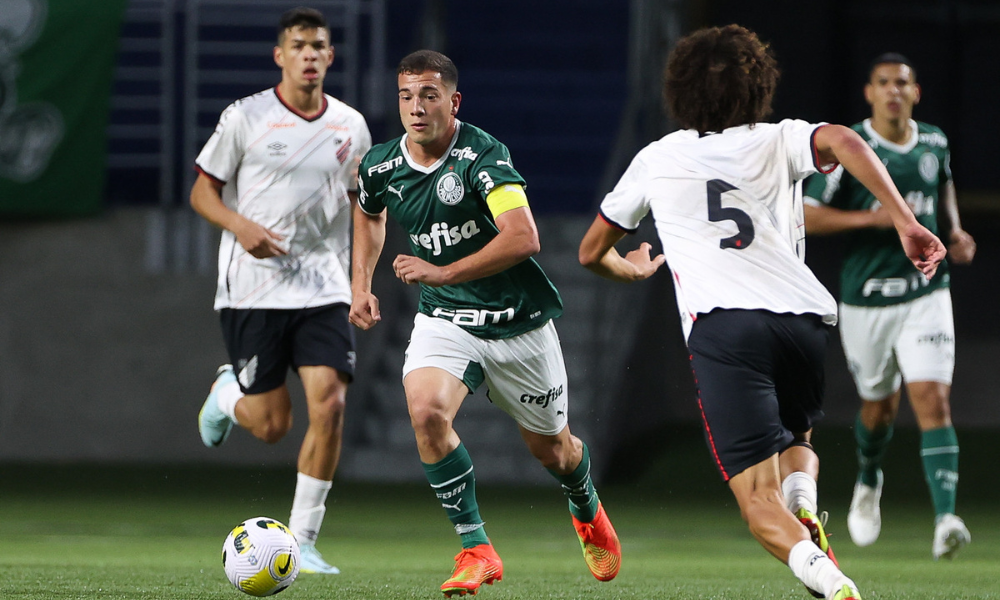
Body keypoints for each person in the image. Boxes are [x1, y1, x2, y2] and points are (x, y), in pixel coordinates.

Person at [578, 25, 946, 600]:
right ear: (759, 85)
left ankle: (831, 581)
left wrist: (632, 268)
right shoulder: (781, 138)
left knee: (756, 505)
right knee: (797, 436)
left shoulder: (658, 157)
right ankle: (806, 508)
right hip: (801, 324)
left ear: (680, 89)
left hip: (726, 327)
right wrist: (906, 221)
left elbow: (589, 251)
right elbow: (847, 141)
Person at [350, 49, 621, 597]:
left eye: (429, 95)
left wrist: (441, 270)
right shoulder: (380, 163)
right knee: (425, 411)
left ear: (453, 101)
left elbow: (524, 237)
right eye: (406, 96)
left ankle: (584, 502)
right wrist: (361, 282)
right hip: (446, 320)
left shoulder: (481, 155)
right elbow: (368, 208)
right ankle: (477, 549)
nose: (416, 108)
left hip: (516, 323)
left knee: (555, 452)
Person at [190, 6, 371, 575]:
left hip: (322, 285)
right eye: (299, 46)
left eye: (319, 45)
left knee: (332, 403)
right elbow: (202, 193)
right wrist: (241, 226)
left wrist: (361, 281)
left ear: (330, 56)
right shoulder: (246, 117)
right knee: (272, 427)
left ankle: (304, 539)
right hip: (252, 290)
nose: (310, 55)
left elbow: (365, 209)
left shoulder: (352, 127)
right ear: (280, 55)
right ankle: (226, 395)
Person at [803, 53, 975, 559]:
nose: (894, 91)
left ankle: (946, 517)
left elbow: (943, 188)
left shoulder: (934, 142)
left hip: (926, 292)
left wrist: (955, 230)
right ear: (870, 92)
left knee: (932, 399)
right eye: (884, 83)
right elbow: (808, 216)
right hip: (866, 297)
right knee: (879, 406)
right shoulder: (852, 145)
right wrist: (870, 222)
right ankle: (868, 476)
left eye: (902, 83)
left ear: (915, 92)